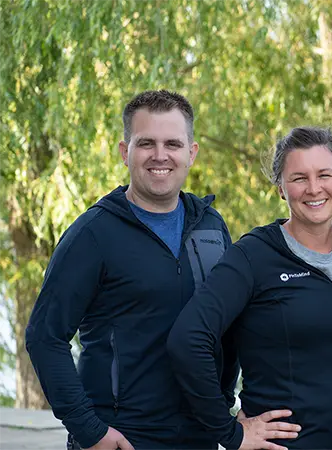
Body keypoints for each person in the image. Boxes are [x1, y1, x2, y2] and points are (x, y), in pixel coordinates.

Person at [25, 90, 240, 449]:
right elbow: (44, 338)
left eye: (173, 143)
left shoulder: (211, 227)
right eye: (146, 144)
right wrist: (90, 432)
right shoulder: (93, 234)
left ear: (192, 152)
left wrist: (224, 407)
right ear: (125, 152)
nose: (160, 156)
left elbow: (228, 326)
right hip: (122, 438)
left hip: (199, 436)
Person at [167, 127, 332, 450]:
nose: (314, 188)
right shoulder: (253, 256)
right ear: (280, 187)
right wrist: (228, 430)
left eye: (325, 175)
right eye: (298, 178)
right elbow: (188, 339)